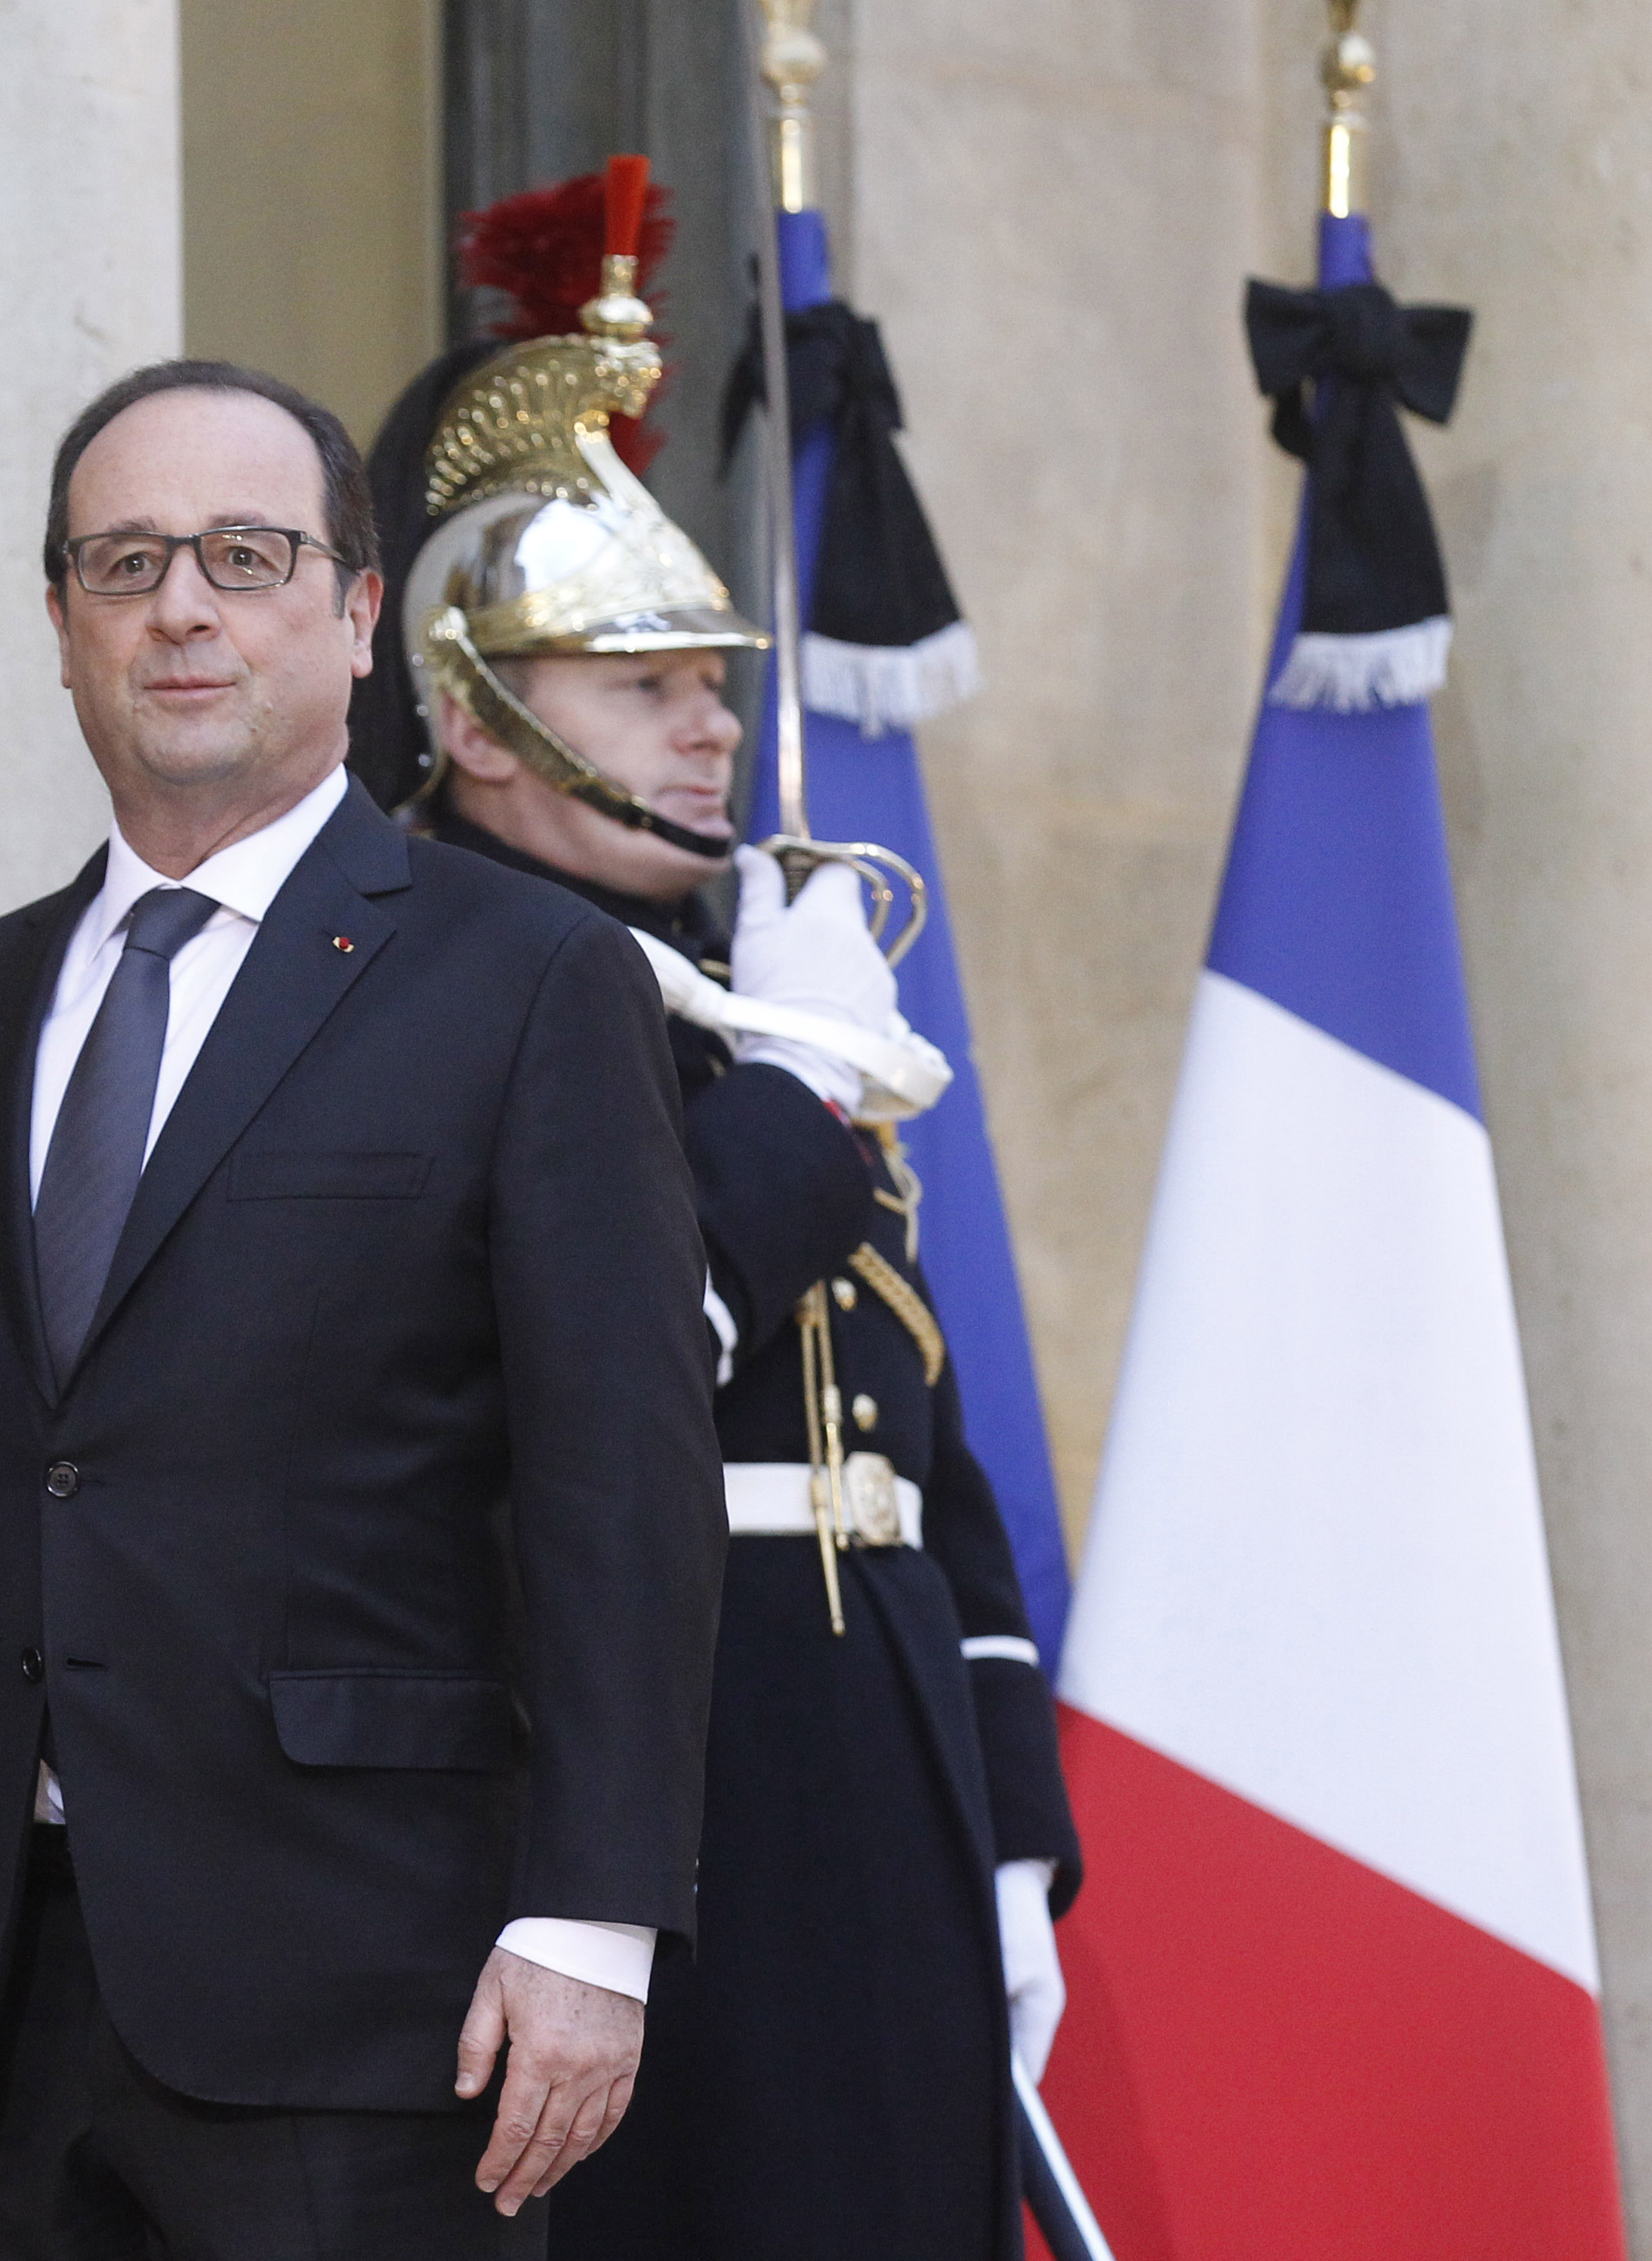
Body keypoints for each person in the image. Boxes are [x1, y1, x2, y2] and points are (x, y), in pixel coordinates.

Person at [0, 356, 728, 2261]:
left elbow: (619, 1484)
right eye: (125, 563)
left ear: (360, 615)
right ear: (60, 625)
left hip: (373, 1994)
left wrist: (591, 1923)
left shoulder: (528, 979)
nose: (182, 608)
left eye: (244, 554)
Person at [359, 176, 1081, 2261]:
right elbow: (622, 1350)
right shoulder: (438, 982)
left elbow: (912, 1426)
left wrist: (1009, 1818)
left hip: (880, 1764)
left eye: (713, 679)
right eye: (639, 683)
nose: (714, 726)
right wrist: (798, 1104)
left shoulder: (754, 973)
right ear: (477, 713)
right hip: (653, 1778)